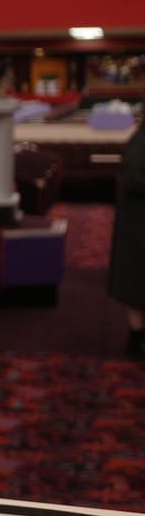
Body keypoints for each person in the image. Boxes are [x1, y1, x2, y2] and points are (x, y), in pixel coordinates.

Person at [109, 119, 145, 357]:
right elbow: (132, 180)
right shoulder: (140, 141)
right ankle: (137, 341)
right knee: (137, 285)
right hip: (138, 227)